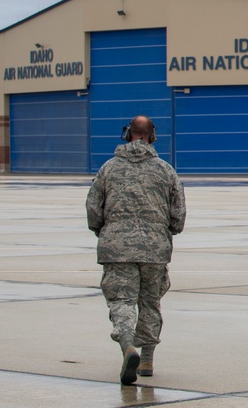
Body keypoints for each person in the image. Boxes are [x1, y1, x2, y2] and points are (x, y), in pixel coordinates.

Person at [86, 115, 186, 385]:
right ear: (152, 136)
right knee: (150, 302)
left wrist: (104, 230)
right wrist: (166, 231)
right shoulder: (166, 170)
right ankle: (147, 360)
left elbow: (93, 209)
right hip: (154, 250)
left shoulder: (108, 169)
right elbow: (178, 216)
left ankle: (127, 344)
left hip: (116, 248)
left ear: (127, 134)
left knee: (122, 301)